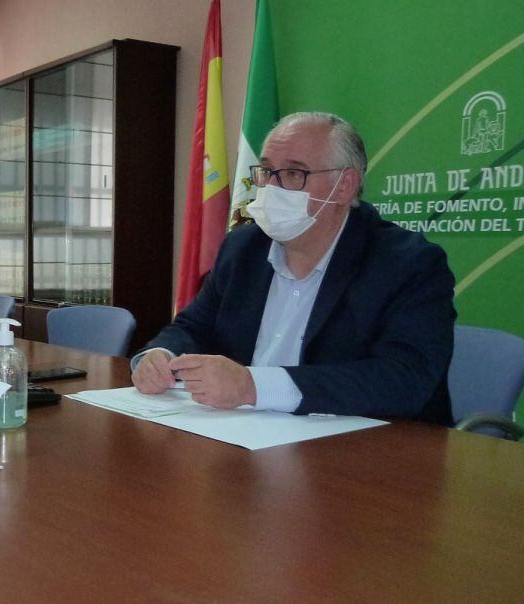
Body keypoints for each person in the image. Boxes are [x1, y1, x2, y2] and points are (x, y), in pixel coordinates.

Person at [131, 112, 455, 424]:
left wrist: (252, 386)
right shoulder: (242, 249)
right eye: (267, 171)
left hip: (364, 455)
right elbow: (193, 326)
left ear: (343, 186)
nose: (272, 187)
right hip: (244, 440)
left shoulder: (407, 263)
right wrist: (160, 355)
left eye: (293, 174)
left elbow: (405, 378)